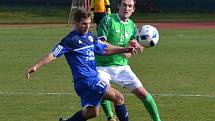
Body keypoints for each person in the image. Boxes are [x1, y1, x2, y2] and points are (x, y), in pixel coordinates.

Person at [25, 9, 136, 121]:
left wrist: (123, 49)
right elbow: (53, 54)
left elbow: (104, 50)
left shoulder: (90, 37)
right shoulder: (70, 40)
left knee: (92, 113)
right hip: (86, 81)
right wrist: (36, 67)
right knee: (118, 97)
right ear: (76, 22)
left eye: (88, 23)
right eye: (84, 23)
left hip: (92, 78)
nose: (87, 26)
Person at [96, 0, 161, 121]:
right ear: (119, 6)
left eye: (130, 6)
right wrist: (124, 49)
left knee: (143, 93)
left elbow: (136, 51)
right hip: (102, 66)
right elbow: (101, 44)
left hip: (122, 67)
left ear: (133, 9)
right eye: (124, 5)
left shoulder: (132, 25)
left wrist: (138, 44)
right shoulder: (108, 20)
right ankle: (110, 117)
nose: (127, 8)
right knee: (103, 90)